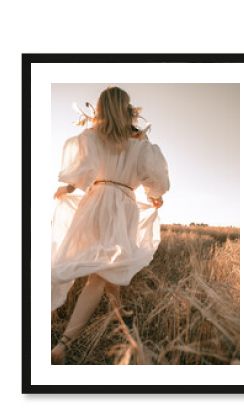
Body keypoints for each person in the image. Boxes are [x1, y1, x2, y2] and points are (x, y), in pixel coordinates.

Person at [51, 86, 170, 364]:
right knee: (101, 274)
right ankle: (63, 345)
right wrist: (155, 197)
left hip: (94, 202)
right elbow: (153, 179)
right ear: (127, 108)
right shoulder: (141, 143)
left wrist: (69, 187)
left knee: (107, 268)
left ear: (101, 108)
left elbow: (84, 168)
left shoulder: (93, 136)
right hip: (123, 206)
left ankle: (123, 315)